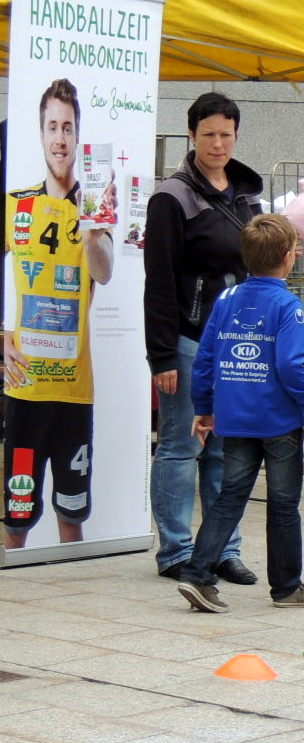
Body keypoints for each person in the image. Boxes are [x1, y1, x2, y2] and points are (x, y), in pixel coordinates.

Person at [175, 214, 304, 613]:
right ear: (288, 257)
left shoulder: (226, 299)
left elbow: (205, 358)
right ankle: (287, 588)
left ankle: (197, 574)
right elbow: (290, 366)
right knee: (283, 504)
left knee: (229, 497)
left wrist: (203, 407)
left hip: (235, 420)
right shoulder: (288, 305)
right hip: (278, 422)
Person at [145, 92, 263, 584]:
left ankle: (221, 550)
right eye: (209, 134)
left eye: (226, 135)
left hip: (238, 344)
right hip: (190, 339)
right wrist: (162, 356)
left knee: (225, 449)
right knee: (182, 446)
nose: (218, 144)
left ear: (236, 136)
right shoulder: (171, 197)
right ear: (191, 135)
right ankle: (175, 551)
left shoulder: (247, 195)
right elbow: (159, 281)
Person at [4, 79, 115, 549]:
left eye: (68, 128)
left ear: (77, 135)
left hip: (73, 393)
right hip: (25, 392)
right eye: (52, 127)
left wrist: (93, 233)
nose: (60, 138)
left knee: (72, 515)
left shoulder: (93, 205)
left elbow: (104, 273)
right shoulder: (17, 204)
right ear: (41, 133)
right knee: (16, 520)